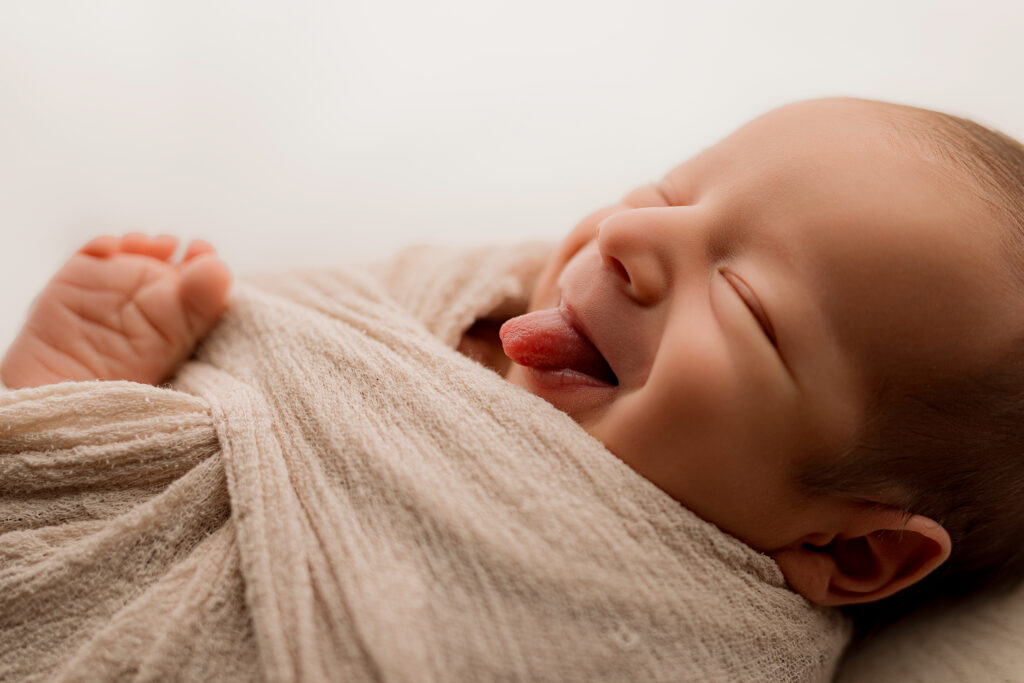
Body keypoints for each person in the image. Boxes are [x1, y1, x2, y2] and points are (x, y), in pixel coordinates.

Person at [3, 97, 1023, 623]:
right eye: (668, 194)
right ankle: (60, 414)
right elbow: (299, 328)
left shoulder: (673, 631)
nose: (631, 240)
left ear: (852, 552)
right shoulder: (459, 302)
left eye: (748, 303)